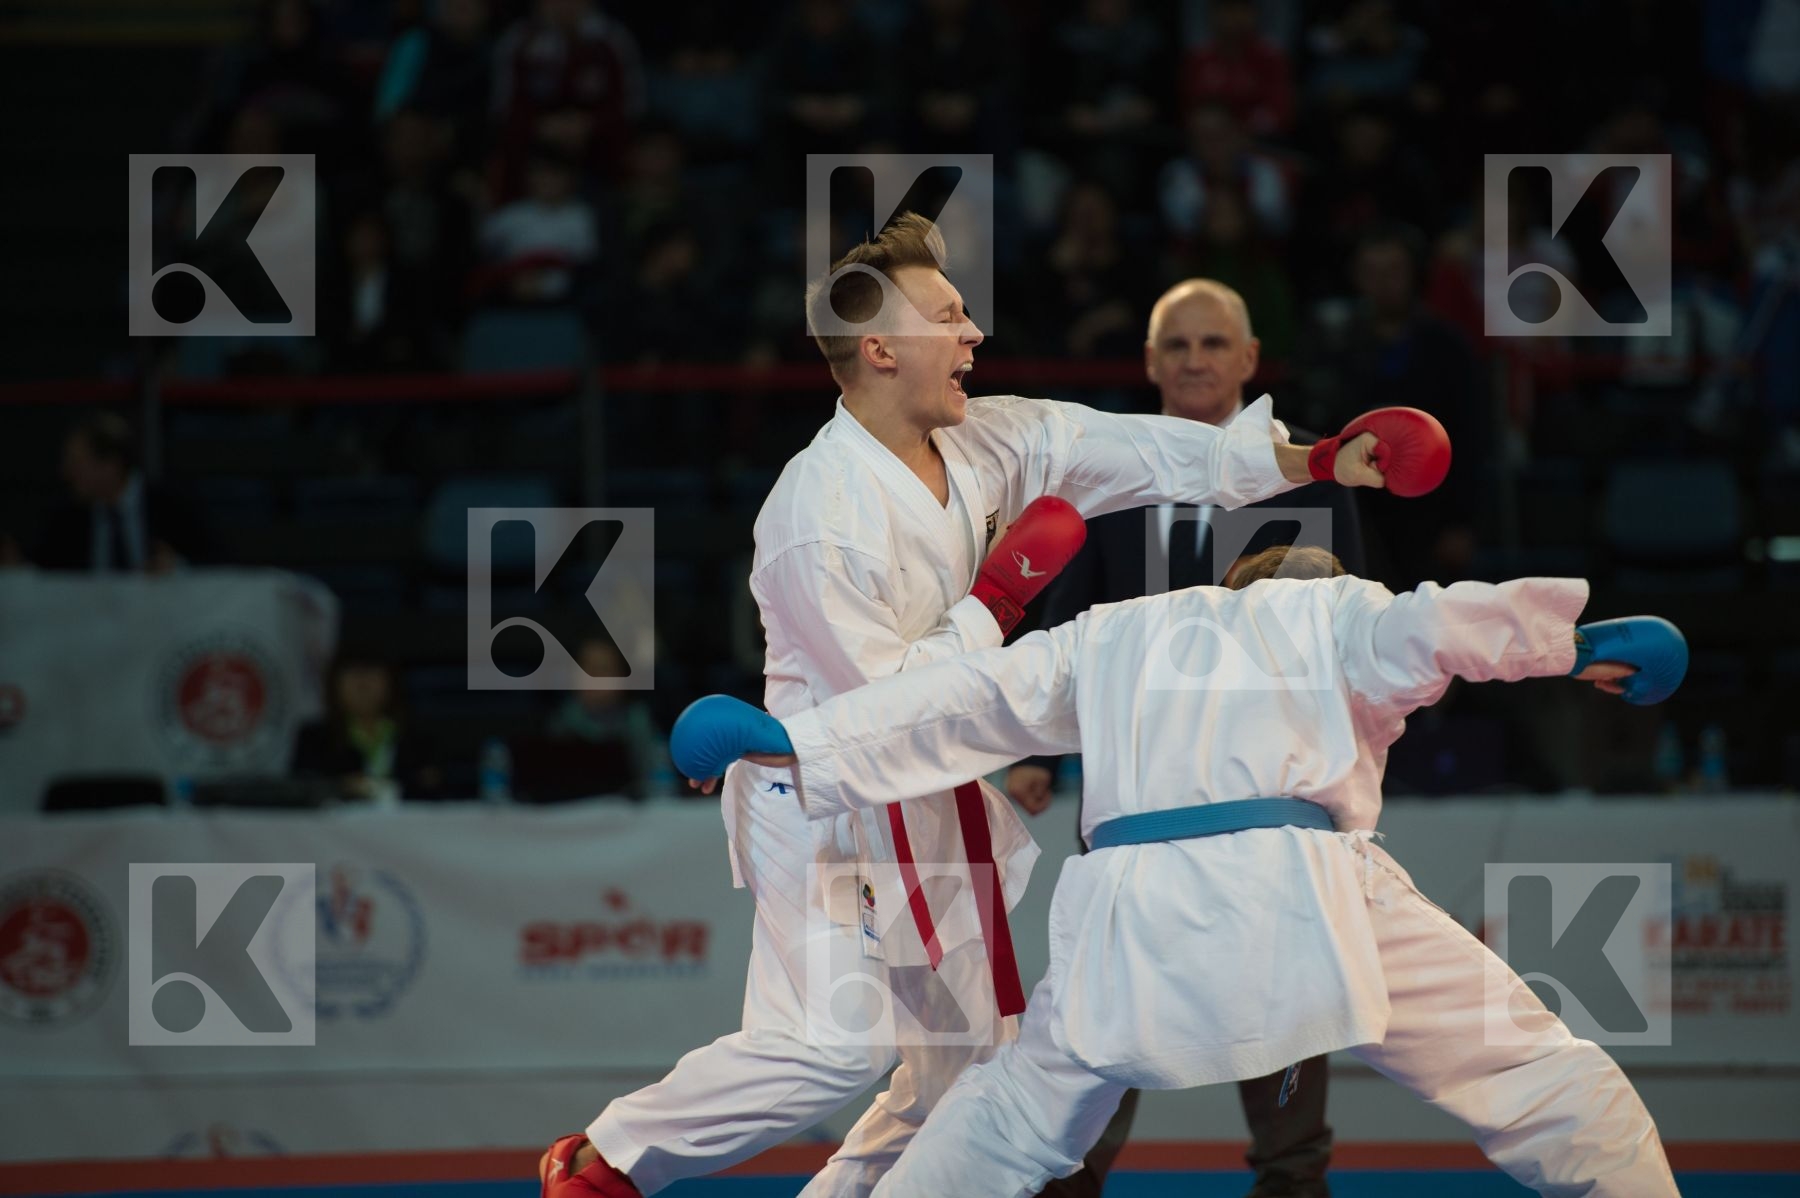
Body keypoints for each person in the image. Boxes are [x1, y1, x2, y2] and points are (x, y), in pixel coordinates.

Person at [539, 212, 1407, 1198]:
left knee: (964, 1086)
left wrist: (1315, 460)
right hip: (830, 797)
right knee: (834, 1050)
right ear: (880, 348)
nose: (973, 336)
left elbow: (1146, 452)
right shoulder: (816, 517)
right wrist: (996, 600)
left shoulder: (991, 437)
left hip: (937, 795)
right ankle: (607, 1160)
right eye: (949, 317)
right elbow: (892, 708)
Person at [674, 548, 1688, 1198]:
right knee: (1535, 1072)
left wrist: (790, 741)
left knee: (1010, 1116)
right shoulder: (1334, 611)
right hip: (1302, 884)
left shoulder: (1118, 633)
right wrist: (1576, 644)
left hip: (1128, 907)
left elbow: (966, 699)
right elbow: (1437, 625)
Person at [1009, 278, 1365, 1198]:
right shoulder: (1108, 472)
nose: (1197, 360)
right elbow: (1065, 619)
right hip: (1139, 798)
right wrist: (1043, 752)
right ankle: (1066, 1180)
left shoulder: (1311, 469)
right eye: (1179, 346)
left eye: (1215, 344)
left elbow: (1354, 629)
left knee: (1286, 1000)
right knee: (1104, 1009)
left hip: (1274, 799)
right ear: (1150, 363)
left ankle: (1295, 1184)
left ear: (1251, 360)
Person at [30, 413, 209, 573]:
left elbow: (222, 565)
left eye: (77, 464)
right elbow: (43, 573)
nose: (66, 473)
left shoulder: (171, 505)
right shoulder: (67, 518)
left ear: (110, 465)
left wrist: (179, 568)